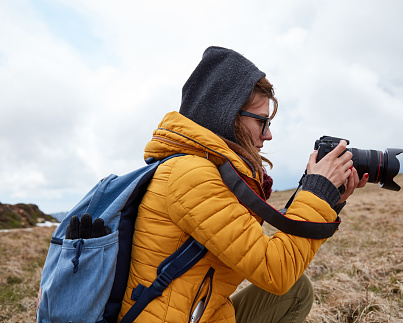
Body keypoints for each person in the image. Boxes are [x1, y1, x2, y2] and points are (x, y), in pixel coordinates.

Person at [118, 46, 368, 322]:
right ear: (228, 116)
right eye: (263, 121)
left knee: (296, 292)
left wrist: (329, 199)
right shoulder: (190, 174)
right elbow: (275, 269)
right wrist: (316, 193)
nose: (269, 134)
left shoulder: (207, 169)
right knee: (288, 286)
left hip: (205, 313)